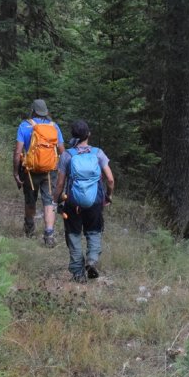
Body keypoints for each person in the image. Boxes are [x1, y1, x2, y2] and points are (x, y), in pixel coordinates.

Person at [55, 119, 115, 283]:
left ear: (73, 136)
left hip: (72, 202)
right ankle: (92, 260)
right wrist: (108, 196)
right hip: (95, 200)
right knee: (94, 231)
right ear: (88, 134)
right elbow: (110, 179)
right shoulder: (98, 153)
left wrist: (56, 200)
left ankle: (78, 273)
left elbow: (60, 183)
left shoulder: (67, 155)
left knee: (73, 234)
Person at [14, 99, 64, 246]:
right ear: (46, 111)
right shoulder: (54, 127)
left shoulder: (25, 126)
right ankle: (49, 234)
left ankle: (29, 230)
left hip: (30, 170)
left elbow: (18, 152)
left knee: (30, 200)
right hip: (50, 171)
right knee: (49, 201)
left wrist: (16, 173)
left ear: (33, 110)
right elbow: (62, 151)